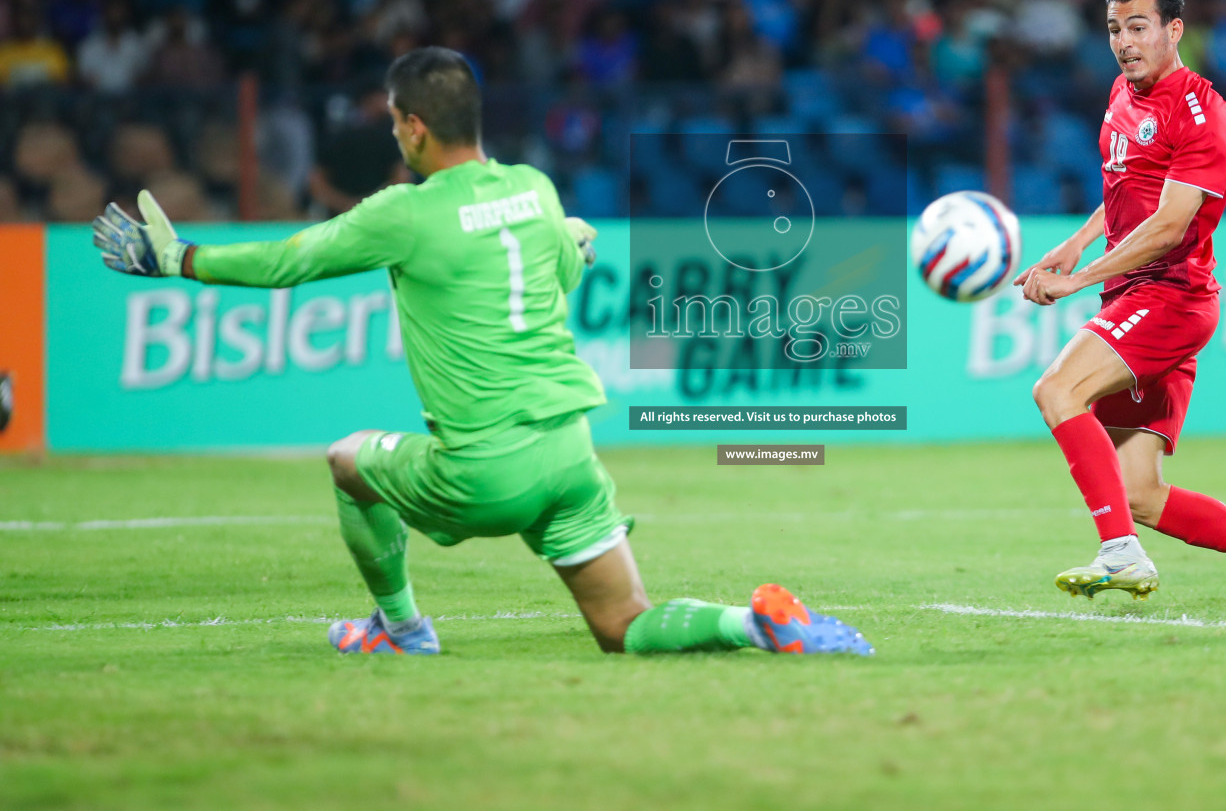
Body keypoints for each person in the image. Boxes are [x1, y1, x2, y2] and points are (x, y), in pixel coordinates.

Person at [91, 46, 873, 657]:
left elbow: (291, 259)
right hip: (569, 454)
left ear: (414, 127)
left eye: (396, 119)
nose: (394, 132)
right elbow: (565, 266)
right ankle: (756, 623)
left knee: (347, 461)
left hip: (485, 468)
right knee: (623, 625)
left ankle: (400, 629)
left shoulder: (405, 211)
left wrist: (181, 260)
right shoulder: (534, 188)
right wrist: (571, 238)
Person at [1015, 0, 1226, 615]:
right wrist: (1077, 241)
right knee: (1139, 492)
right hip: (1138, 297)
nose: (1124, 42)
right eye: (1113, 28)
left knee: (1056, 389)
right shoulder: (1121, 92)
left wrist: (1077, 280)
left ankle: (1120, 553)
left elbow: (1168, 225)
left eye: (1138, 26)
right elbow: (1129, 190)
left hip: (1170, 297)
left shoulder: (1203, 112)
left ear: (1174, 28)